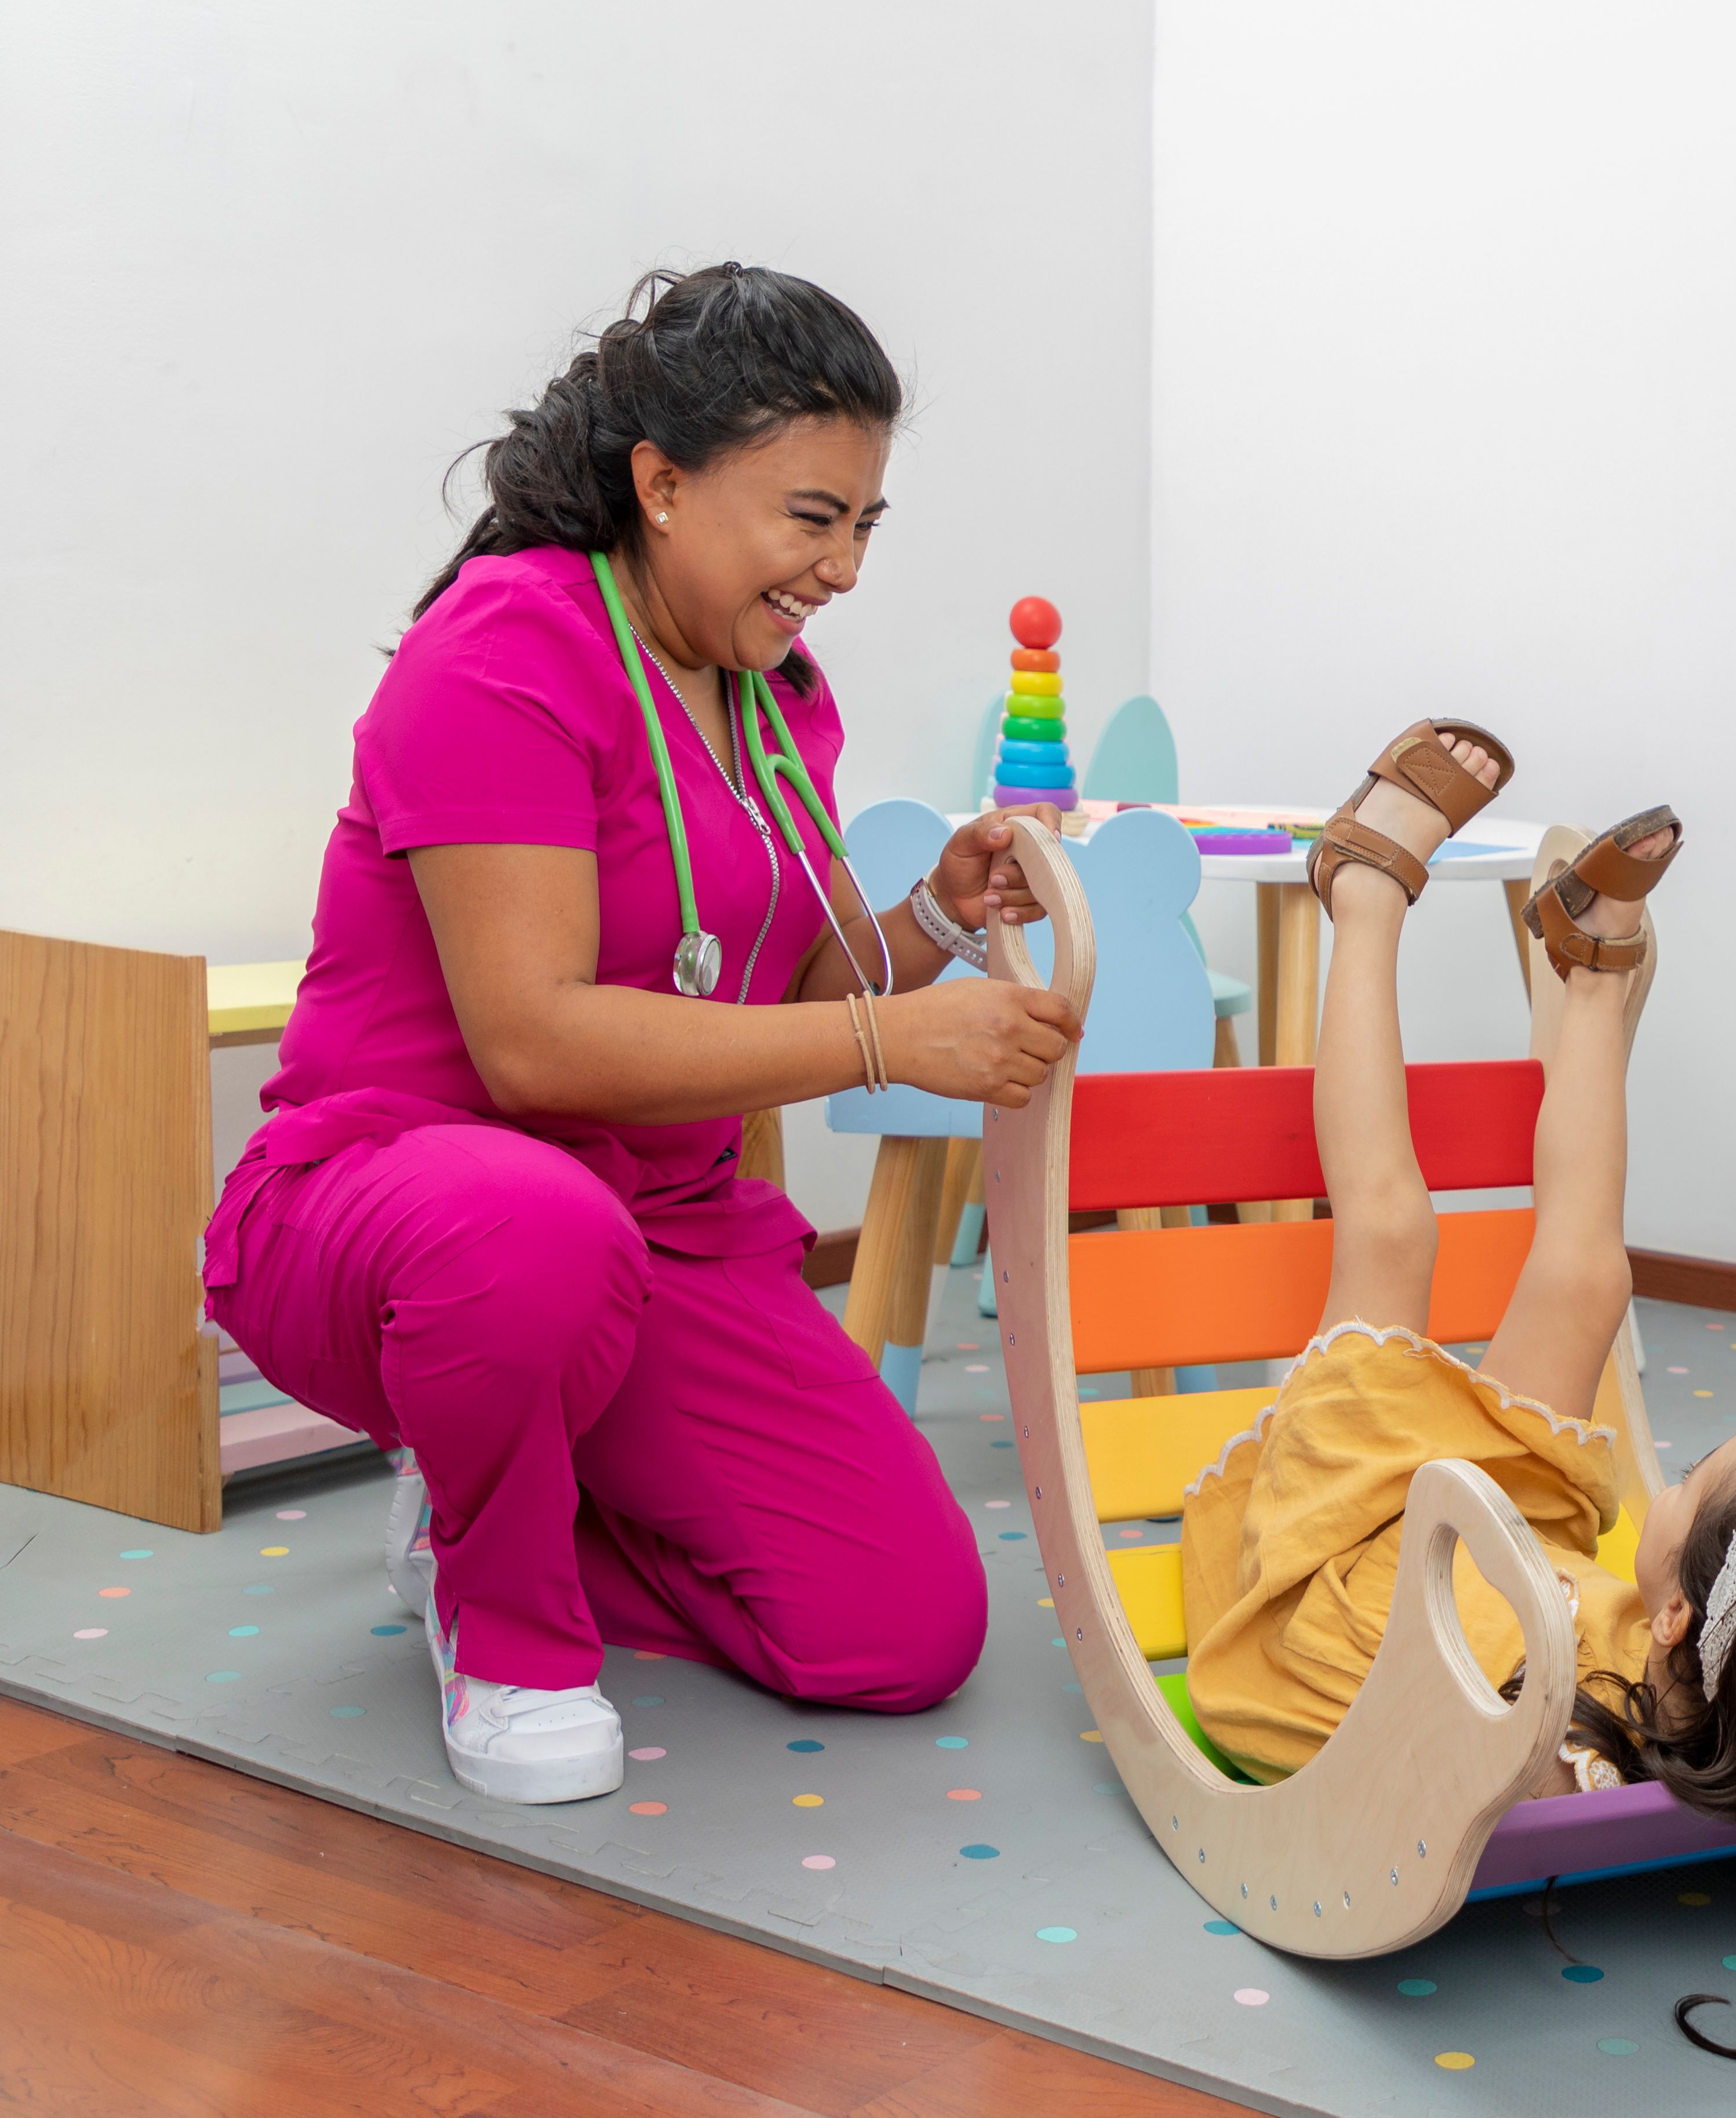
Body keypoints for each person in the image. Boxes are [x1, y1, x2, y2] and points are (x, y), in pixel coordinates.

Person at [202, 266, 1083, 1805]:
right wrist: (896, 1043)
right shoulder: (502, 654)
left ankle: (490, 1497)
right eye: (813, 516)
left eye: (867, 524)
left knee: (902, 1629)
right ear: (663, 485)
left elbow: (785, 1001)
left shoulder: (776, 694)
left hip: (656, 1229)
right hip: (397, 1202)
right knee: (530, 1225)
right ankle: (506, 1625)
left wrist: (930, 923)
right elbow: (538, 1050)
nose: (846, 569)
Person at [1179, 722, 1736, 2061]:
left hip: (1340, 1583)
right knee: (1588, 1275)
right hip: (1503, 1568)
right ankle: (1584, 980)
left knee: (1393, 1228)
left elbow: (1502, 1763)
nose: (1674, 1469)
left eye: (1688, 1479)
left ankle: (1358, 889)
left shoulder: (1570, 1755)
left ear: (1681, 1611)